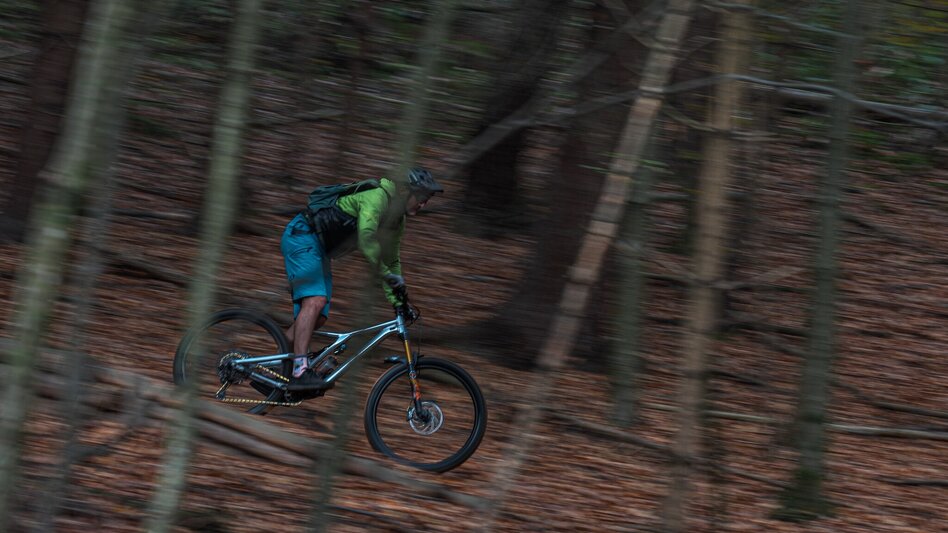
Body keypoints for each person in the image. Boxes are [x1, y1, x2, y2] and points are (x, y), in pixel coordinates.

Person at [280, 167, 444, 391]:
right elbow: (367, 238)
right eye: (423, 197)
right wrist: (386, 275)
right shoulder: (376, 198)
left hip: (320, 249)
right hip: (303, 235)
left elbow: (392, 261)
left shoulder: (397, 222)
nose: (424, 203)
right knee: (315, 301)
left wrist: (399, 302)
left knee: (317, 319)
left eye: (428, 199)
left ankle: (276, 366)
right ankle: (299, 371)